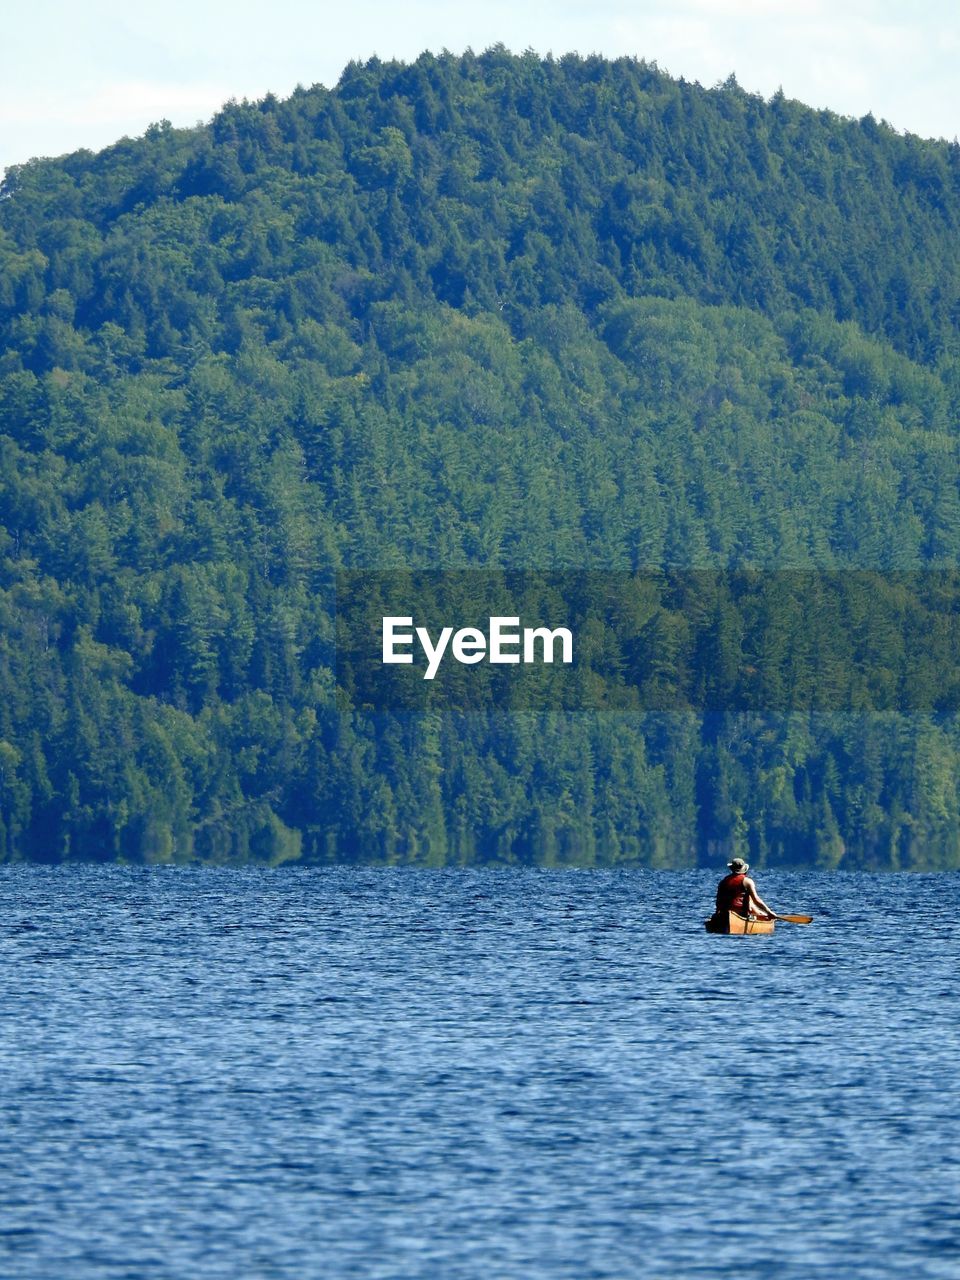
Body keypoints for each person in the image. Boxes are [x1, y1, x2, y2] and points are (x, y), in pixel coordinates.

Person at [712, 857, 777, 924]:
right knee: (753, 905)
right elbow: (756, 900)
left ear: (732, 869)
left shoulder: (723, 881)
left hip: (722, 915)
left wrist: (717, 913)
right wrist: (769, 912)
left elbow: (718, 901)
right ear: (743, 869)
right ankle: (763, 915)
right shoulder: (747, 881)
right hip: (740, 914)